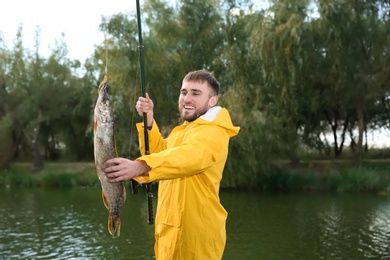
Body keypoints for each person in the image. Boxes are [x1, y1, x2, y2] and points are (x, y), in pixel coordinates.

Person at [104, 70, 240, 259]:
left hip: (195, 238)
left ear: (212, 101)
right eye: (184, 92)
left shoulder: (214, 133)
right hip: (169, 233)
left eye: (196, 93)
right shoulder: (183, 131)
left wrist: (140, 166)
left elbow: (188, 157)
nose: (187, 99)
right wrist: (149, 119)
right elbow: (161, 154)